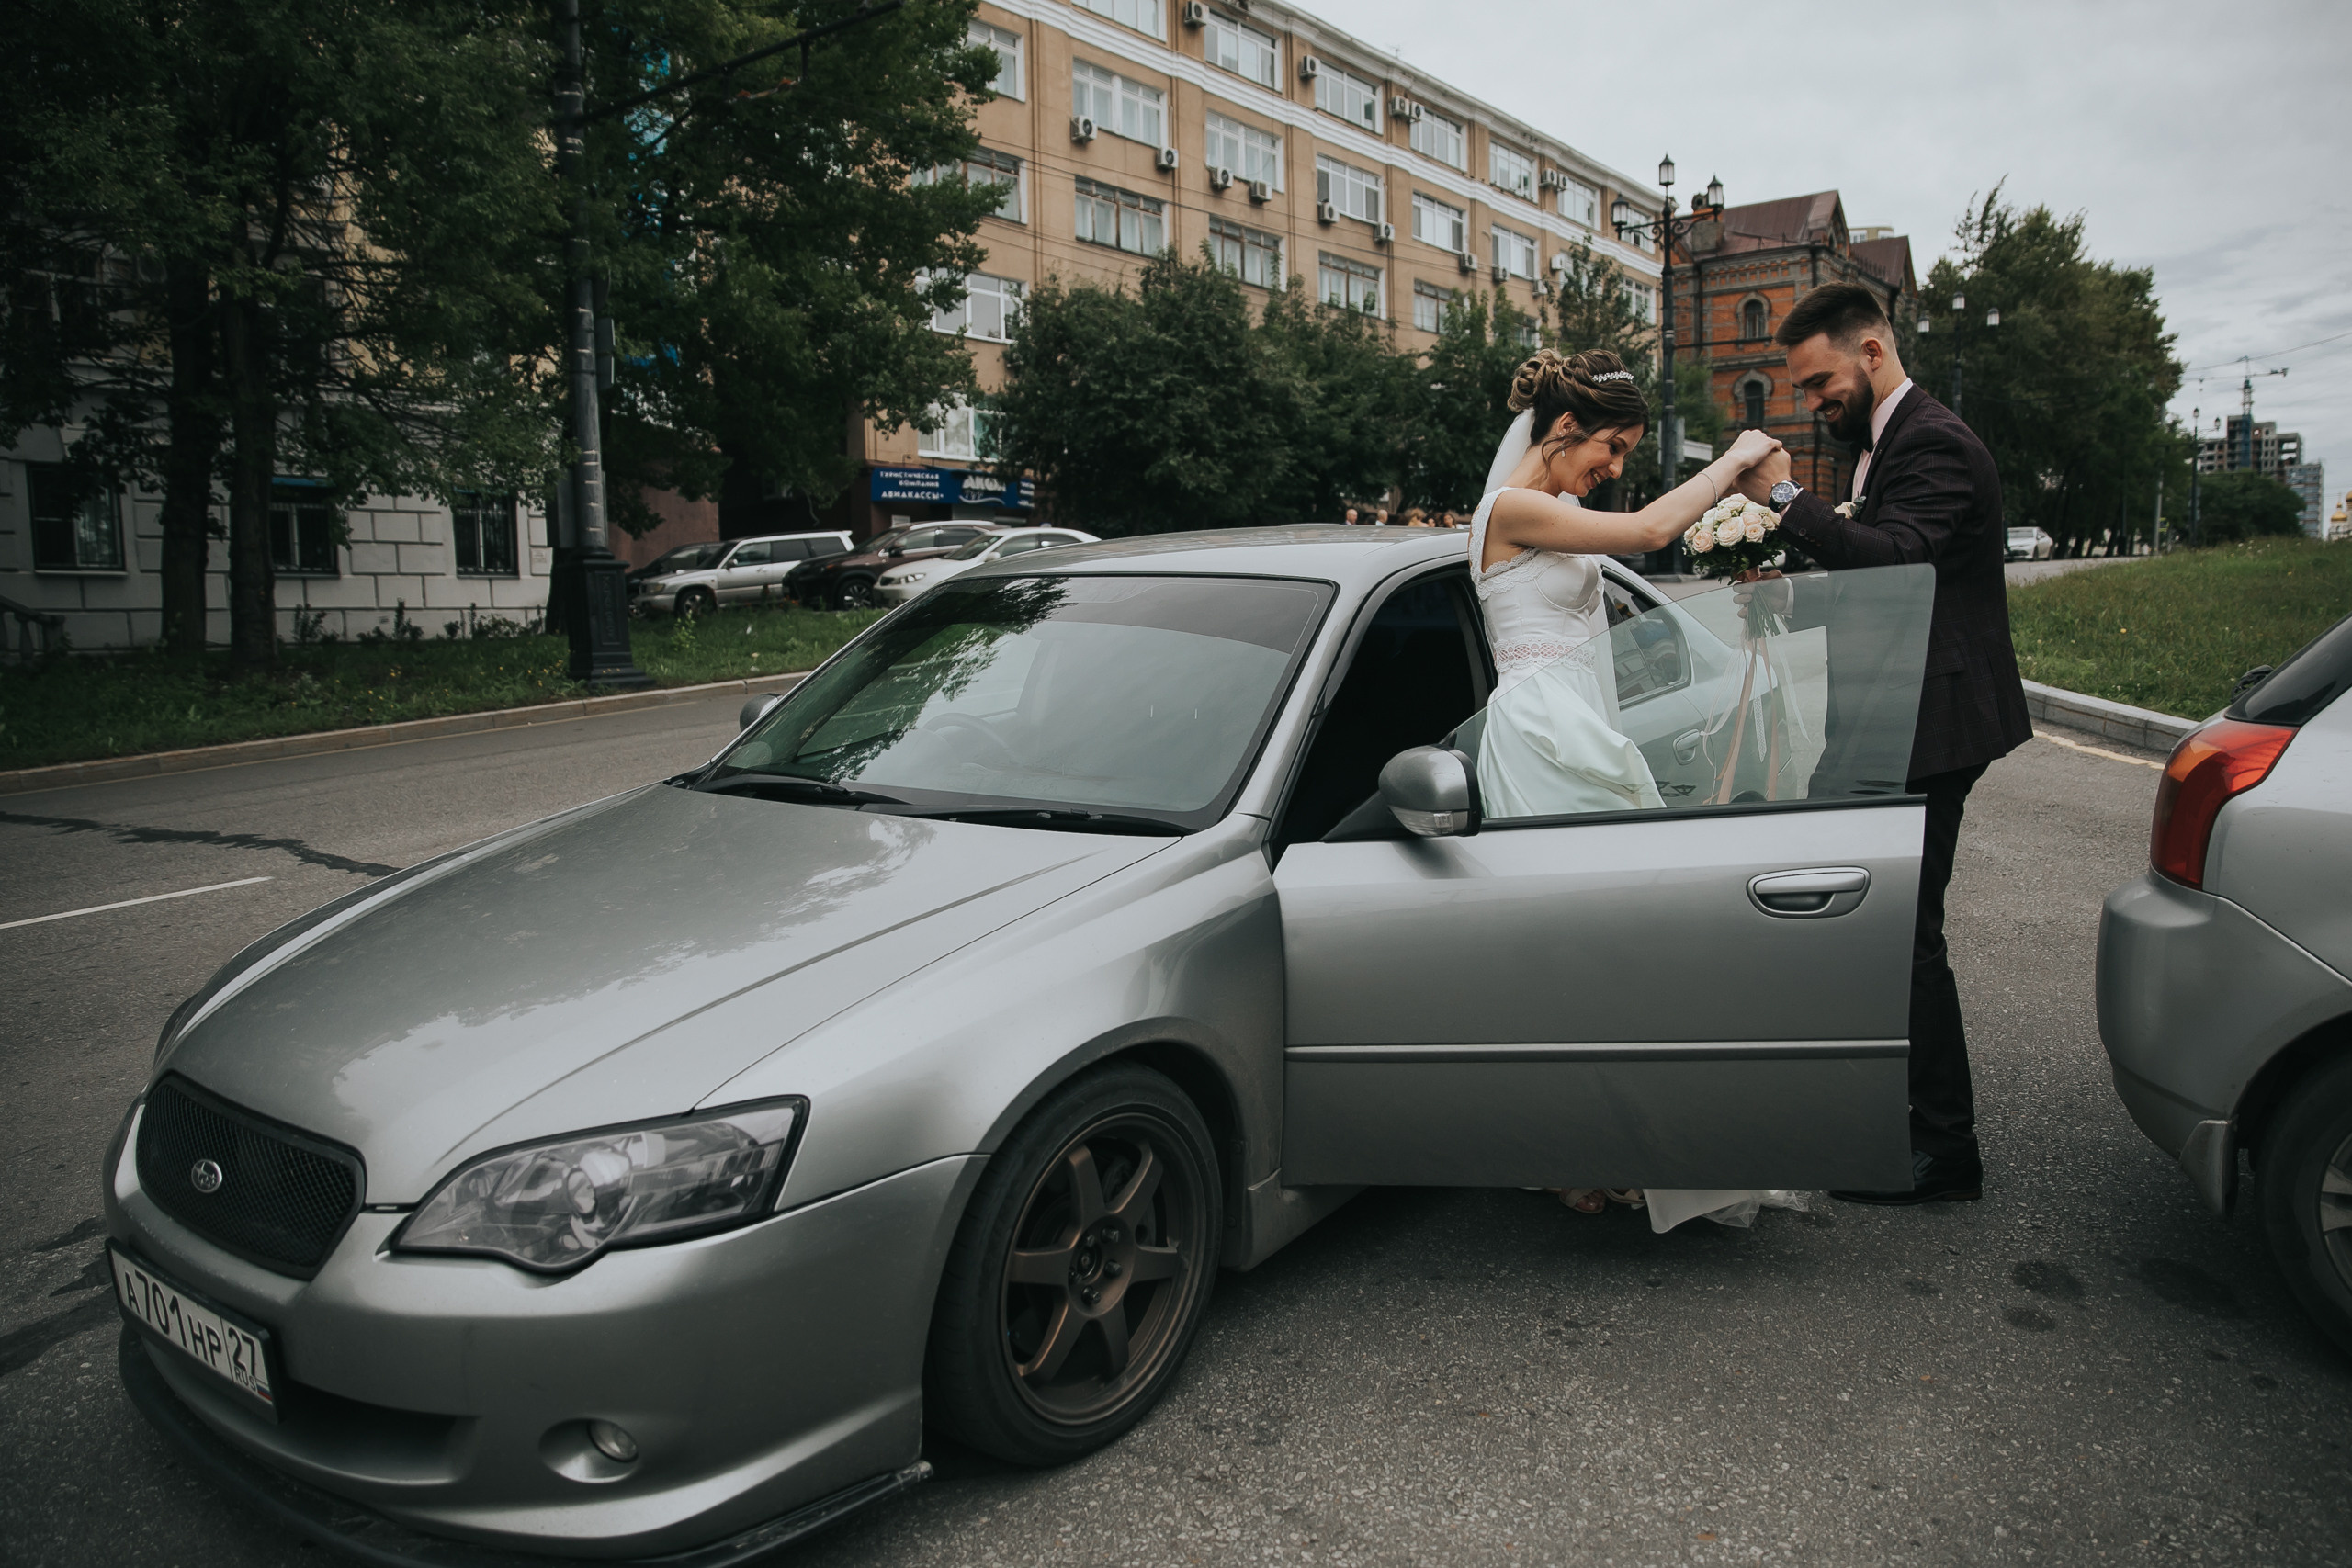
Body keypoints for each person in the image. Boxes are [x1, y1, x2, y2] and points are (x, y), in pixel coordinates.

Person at [1471, 347, 1788, 1231]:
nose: (1614, 469)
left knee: (1614, 952)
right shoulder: (1513, 508)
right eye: (1611, 448)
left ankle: (1611, 1149)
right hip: (1542, 735)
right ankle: (1589, 1147)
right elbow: (1651, 533)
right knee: (1584, 958)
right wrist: (1729, 464)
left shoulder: (1557, 508)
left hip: (1577, 725)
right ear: (1565, 428)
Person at [1731, 282, 2030, 1207]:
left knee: (1901, 931)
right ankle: (1881, 1103)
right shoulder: (1878, 446)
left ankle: (1943, 1148)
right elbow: (1885, 586)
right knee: (1865, 919)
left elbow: (1900, 558)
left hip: (1928, 721)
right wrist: (1790, 594)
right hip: (1889, 708)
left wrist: (1777, 496)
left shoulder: (1932, 441)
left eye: (1820, 382)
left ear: (1871, 352)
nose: (1811, 402)